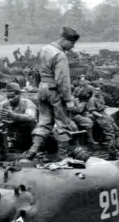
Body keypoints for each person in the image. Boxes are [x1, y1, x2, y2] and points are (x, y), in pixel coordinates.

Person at [24, 27, 80, 160]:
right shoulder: (60, 55)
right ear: (64, 39)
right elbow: (62, 80)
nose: (72, 47)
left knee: (44, 122)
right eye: (72, 43)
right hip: (55, 90)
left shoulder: (44, 49)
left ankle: (32, 150)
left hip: (42, 88)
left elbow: (36, 72)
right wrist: (68, 100)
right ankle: (63, 156)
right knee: (62, 123)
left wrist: (40, 87)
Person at [0, 82, 38, 155]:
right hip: (11, 134)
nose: (10, 100)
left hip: (28, 134)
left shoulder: (27, 103)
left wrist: (13, 115)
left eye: (12, 97)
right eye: (8, 97)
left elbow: (30, 117)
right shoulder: (4, 104)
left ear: (19, 94)